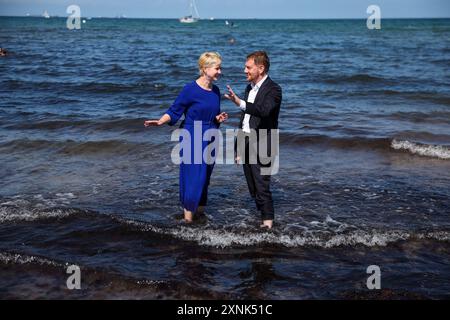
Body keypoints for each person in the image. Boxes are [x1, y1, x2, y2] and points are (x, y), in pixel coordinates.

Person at [144, 52, 228, 223]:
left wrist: (217, 119)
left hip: (211, 136)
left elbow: (211, 115)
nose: (220, 71)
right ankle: (188, 220)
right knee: (193, 177)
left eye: (220, 68)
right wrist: (160, 121)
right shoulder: (190, 89)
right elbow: (174, 111)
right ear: (205, 69)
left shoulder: (216, 90)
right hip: (193, 136)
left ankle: (200, 215)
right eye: (217, 68)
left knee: (205, 177)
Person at [224, 51, 282, 229]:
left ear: (261, 68)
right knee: (253, 188)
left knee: (262, 186)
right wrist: (238, 148)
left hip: (264, 141)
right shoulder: (250, 88)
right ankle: (263, 219)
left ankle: (268, 226)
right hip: (247, 141)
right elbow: (245, 121)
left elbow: (263, 111)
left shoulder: (274, 89)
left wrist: (238, 102)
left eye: (248, 67)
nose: (244, 71)